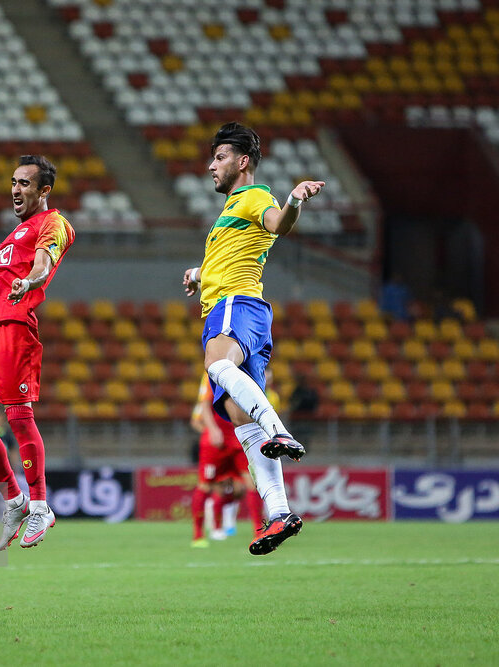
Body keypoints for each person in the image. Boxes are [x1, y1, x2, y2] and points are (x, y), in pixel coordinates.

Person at [182, 121, 325, 556]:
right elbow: (240, 251)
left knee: (216, 368)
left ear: (243, 162)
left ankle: (281, 429)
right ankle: (280, 512)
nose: (211, 166)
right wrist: (199, 273)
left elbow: (278, 224)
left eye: (220, 158)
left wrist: (294, 200)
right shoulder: (231, 211)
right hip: (243, 307)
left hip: (235, 305)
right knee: (240, 420)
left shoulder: (254, 196)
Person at [0, 155, 74, 550]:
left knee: (18, 417)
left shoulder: (52, 223)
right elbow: (21, 260)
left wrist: (28, 282)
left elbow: (44, 264)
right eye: (13, 182)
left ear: (44, 191)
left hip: (10, 328)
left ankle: (41, 505)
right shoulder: (16, 234)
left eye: (25, 184)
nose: (15, 189)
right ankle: (14, 499)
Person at [188, 373, 264, 548]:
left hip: (238, 439)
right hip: (216, 442)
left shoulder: (246, 372)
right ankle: (198, 535)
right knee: (206, 486)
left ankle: (259, 532)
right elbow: (204, 405)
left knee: (251, 484)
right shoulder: (212, 374)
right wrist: (212, 430)